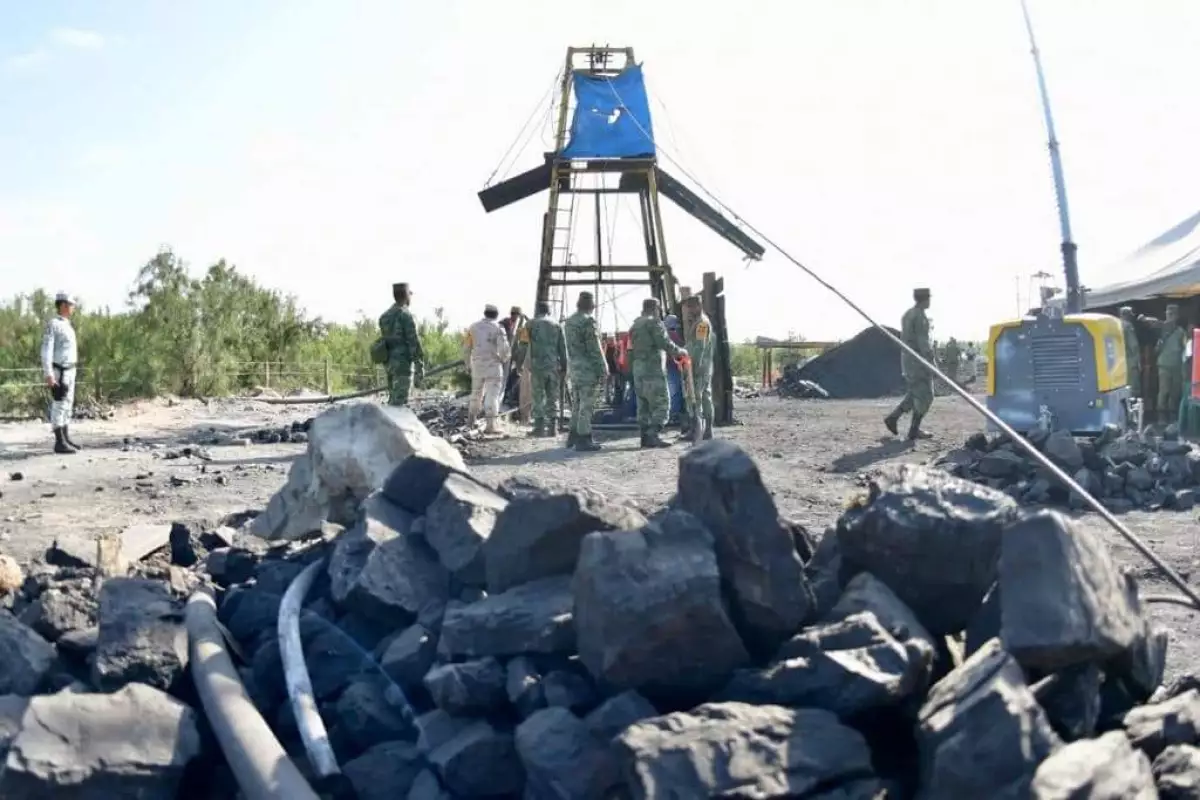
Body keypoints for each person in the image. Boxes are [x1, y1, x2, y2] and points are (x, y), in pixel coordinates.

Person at [629, 298, 687, 449]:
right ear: (656, 308)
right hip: (652, 369)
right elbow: (664, 342)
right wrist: (680, 351)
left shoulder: (635, 324)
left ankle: (644, 436)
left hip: (638, 369)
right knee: (662, 403)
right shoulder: (654, 322)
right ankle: (653, 434)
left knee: (643, 405)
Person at [883, 288, 934, 441]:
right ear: (925, 299)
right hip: (918, 361)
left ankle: (894, 418)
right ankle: (913, 430)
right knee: (926, 395)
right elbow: (923, 343)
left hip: (908, 360)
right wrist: (931, 364)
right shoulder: (919, 316)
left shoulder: (908, 314)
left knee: (915, 393)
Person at [563, 291, 607, 451]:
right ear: (591, 306)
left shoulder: (569, 321)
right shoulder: (587, 322)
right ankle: (584, 439)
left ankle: (573, 437)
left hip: (574, 368)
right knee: (587, 405)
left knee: (577, 404)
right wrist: (604, 368)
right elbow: (594, 348)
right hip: (588, 369)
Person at [41, 292, 80, 454]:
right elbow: (46, 349)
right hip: (60, 371)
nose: (73, 307)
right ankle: (59, 442)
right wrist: (48, 373)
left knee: (68, 404)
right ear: (63, 305)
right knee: (59, 404)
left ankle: (65, 437)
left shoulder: (67, 325)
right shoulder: (54, 324)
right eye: (71, 305)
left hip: (70, 370)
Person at [463, 304, 511, 434]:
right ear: (496, 315)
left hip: (477, 365)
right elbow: (504, 350)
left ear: (485, 313)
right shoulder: (498, 328)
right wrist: (504, 359)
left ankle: (471, 421)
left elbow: (466, 348)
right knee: (492, 395)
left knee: (476, 393)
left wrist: (467, 364)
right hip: (493, 366)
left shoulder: (473, 327)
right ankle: (491, 426)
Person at [522, 301, 567, 437]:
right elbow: (562, 348)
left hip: (537, 366)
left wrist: (521, 363)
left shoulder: (529, 324)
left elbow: (523, 345)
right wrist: (564, 366)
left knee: (538, 396)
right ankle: (553, 428)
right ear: (549, 311)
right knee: (553, 396)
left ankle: (539, 427)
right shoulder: (557, 325)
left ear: (537, 310)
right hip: (553, 365)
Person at [378, 283, 425, 406]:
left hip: (389, 364)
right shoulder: (406, 315)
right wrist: (419, 368)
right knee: (399, 403)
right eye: (410, 294)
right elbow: (413, 342)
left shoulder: (384, 317)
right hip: (402, 365)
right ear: (406, 296)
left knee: (393, 399)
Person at [1141, 304, 1187, 424]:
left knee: (1175, 391)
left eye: (1172, 314)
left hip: (1177, 365)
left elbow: (1185, 349)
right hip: (1164, 365)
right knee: (1164, 390)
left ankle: (1172, 415)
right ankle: (1161, 415)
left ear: (1177, 316)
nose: (1170, 316)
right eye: (1168, 314)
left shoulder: (1180, 331)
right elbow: (1151, 323)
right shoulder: (1161, 328)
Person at [683, 294, 715, 440]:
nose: (688, 310)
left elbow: (700, 347)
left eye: (690, 307)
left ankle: (697, 431)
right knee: (705, 397)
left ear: (698, 306)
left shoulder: (701, 323)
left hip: (698, 366)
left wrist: (693, 366)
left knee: (697, 398)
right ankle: (706, 431)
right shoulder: (697, 322)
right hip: (703, 366)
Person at [664, 315, 686, 427]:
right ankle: (674, 415)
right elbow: (681, 347)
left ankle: (670, 415)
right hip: (673, 366)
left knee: (669, 391)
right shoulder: (673, 335)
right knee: (675, 391)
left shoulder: (663, 335)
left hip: (665, 367)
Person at [1119, 307, 1141, 399]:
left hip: (1118, 361)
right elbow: (1134, 345)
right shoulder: (1128, 326)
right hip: (1129, 360)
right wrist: (1138, 361)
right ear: (1126, 315)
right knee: (1132, 386)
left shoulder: (1115, 324)